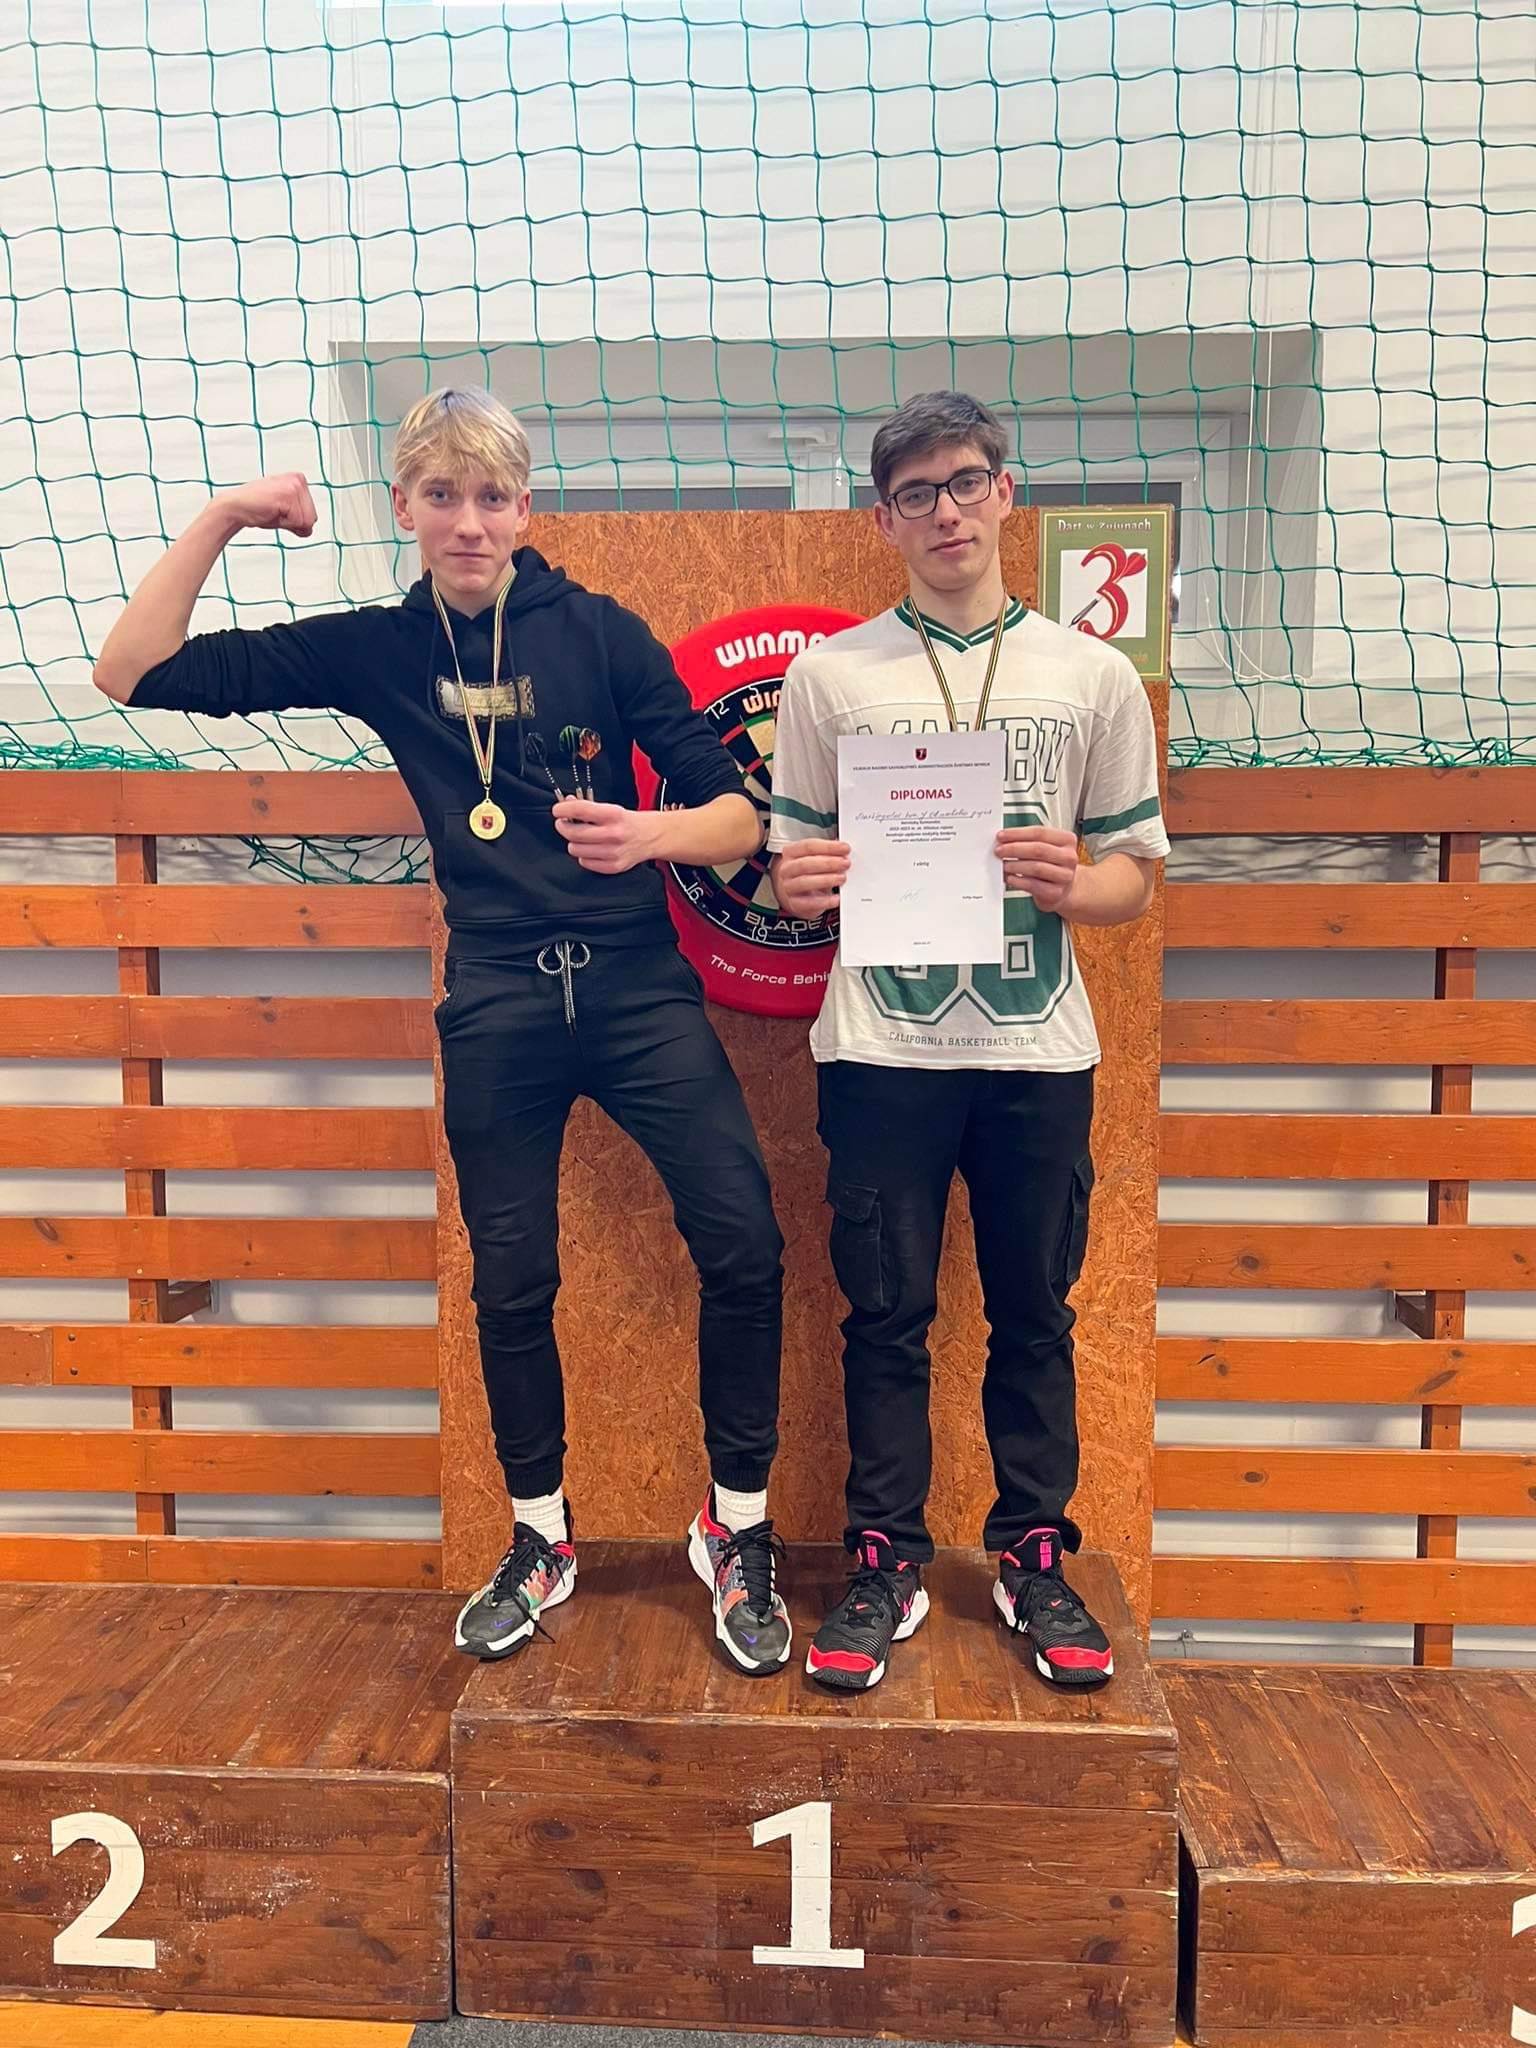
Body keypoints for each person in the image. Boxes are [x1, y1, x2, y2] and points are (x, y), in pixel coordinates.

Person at [93, 387, 791, 1676]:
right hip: (500, 999)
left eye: (491, 497)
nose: (469, 522)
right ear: (405, 509)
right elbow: (131, 673)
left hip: (636, 989)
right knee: (512, 1282)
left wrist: (650, 834)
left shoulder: (602, 632)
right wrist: (228, 514)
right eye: (441, 496)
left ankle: (735, 1527)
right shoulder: (381, 647)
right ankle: (542, 1536)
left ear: (524, 508)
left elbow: (740, 818)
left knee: (745, 1242)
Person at [770, 390, 1167, 1692]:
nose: (943, 511)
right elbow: (788, 869)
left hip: (1037, 1052)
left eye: (964, 483)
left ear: (1005, 494)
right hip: (880, 1049)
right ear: (884, 520)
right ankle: (883, 1559)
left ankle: (1032, 1557)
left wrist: (1076, 883)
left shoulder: (1092, 675)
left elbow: (1134, 876)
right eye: (914, 494)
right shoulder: (830, 676)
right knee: (883, 1319)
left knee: (1034, 1317)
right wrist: (801, 883)